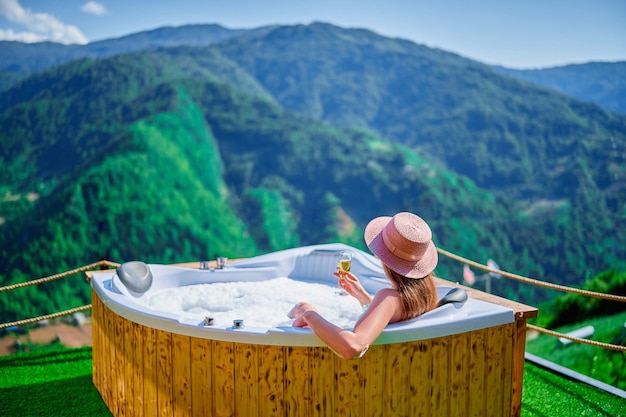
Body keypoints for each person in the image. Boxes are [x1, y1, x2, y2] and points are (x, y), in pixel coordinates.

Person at [290, 212, 439, 359]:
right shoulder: (426, 293)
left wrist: (309, 315)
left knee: (302, 307)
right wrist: (363, 297)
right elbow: (391, 315)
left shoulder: (389, 297)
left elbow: (353, 347)